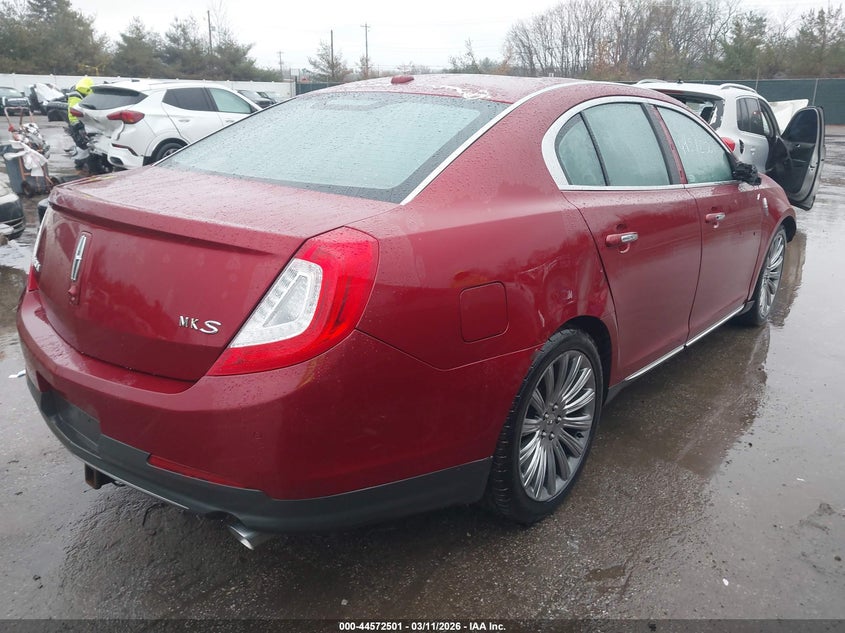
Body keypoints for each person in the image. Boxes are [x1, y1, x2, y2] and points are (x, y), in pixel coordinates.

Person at [66, 77, 93, 171]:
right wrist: (77, 125)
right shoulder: (76, 96)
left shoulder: (77, 93)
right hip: (76, 126)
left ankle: (81, 165)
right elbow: (72, 113)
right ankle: (80, 166)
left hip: (78, 124)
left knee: (83, 146)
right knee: (83, 146)